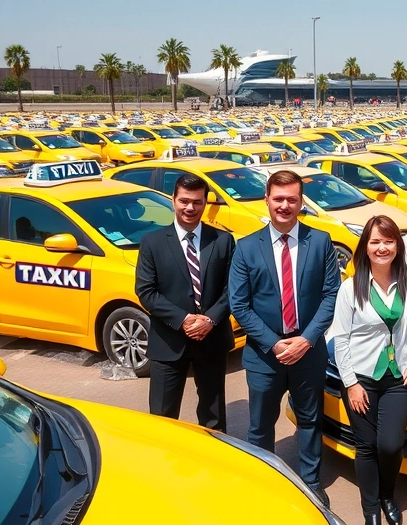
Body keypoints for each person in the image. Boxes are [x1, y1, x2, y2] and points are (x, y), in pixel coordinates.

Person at [228, 169, 340, 507]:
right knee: (261, 426)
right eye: (279, 199)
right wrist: (275, 343)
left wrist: (305, 340)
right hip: (265, 356)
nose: (285, 205)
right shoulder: (247, 247)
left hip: (308, 351)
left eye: (292, 199)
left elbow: (331, 295)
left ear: (301, 202)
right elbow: (239, 303)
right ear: (267, 200)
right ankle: (264, 481)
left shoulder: (319, 242)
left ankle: (310, 483)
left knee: (309, 420)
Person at [332, 215, 407, 525]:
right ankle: (371, 508)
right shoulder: (352, 287)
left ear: (397, 246)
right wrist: (350, 383)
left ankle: (389, 495)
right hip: (361, 379)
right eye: (375, 241)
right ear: (366, 246)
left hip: (398, 378)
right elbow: (341, 339)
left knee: (389, 445)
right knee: (365, 446)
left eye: (388, 241)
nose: (381, 247)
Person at [136, 174, 235, 430]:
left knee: (214, 419)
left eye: (197, 202)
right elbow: (146, 291)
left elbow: (233, 289)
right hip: (169, 342)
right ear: (173, 200)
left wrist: (210, 319)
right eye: (184, 201)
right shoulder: (152, 243)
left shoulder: (223, 241)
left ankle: (215, 463)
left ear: (205, 203)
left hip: (211, 340)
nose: (190, 208)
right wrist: (184, 319)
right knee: (162, 418)